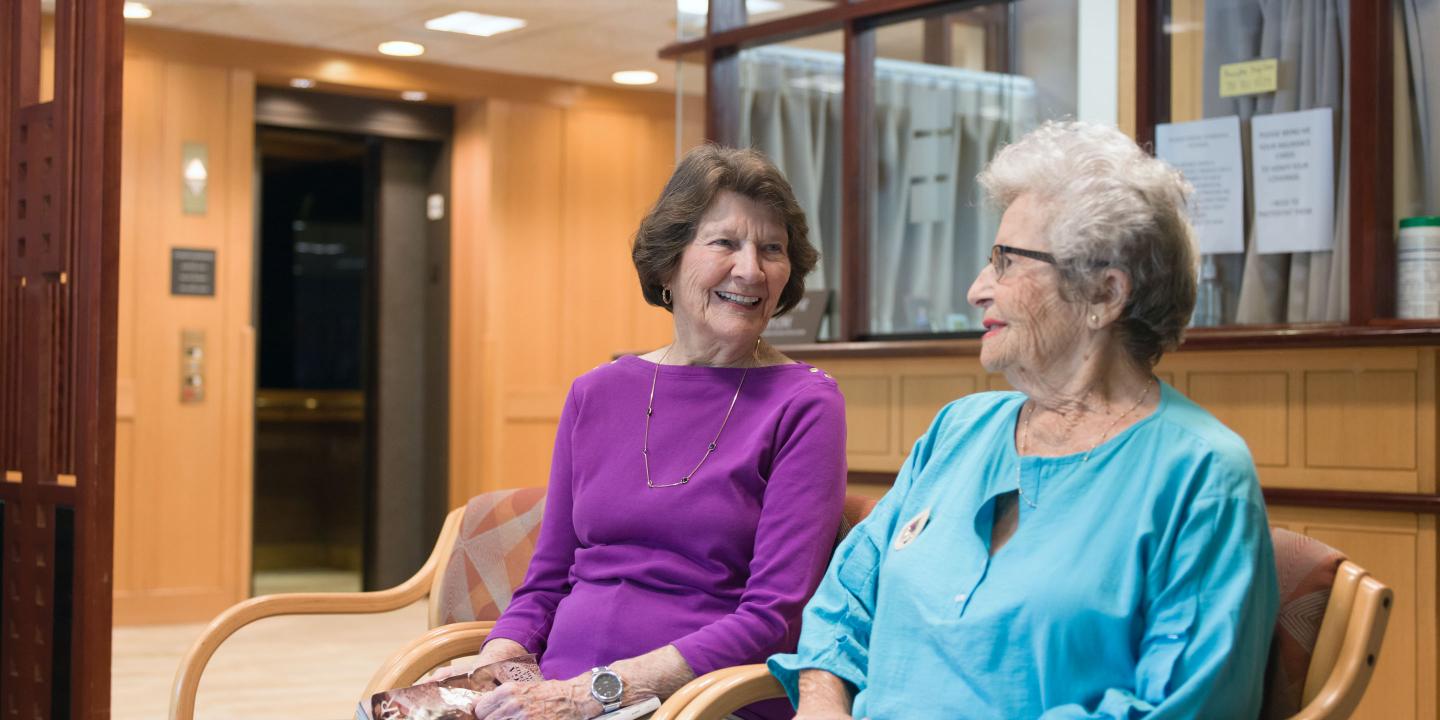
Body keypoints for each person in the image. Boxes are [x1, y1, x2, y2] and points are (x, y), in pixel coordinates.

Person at [769, 121, 1280, 719]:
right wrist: (822, 704)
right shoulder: (960, 429)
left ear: (1104, 294)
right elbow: (845, 603)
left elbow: (1182, 707)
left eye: (1007, 262)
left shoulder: (1200, 474)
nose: (977, 289)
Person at [450, 145, 846, 720]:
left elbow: (772, 619)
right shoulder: (596, 392)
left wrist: (601, 690)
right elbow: (547, 580)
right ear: (668, 261)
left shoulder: (806, 403)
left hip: (705, 699)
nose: (751, 269)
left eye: (772, 249)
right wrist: (495, 661)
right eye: (725, 243)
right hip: (562, 691)